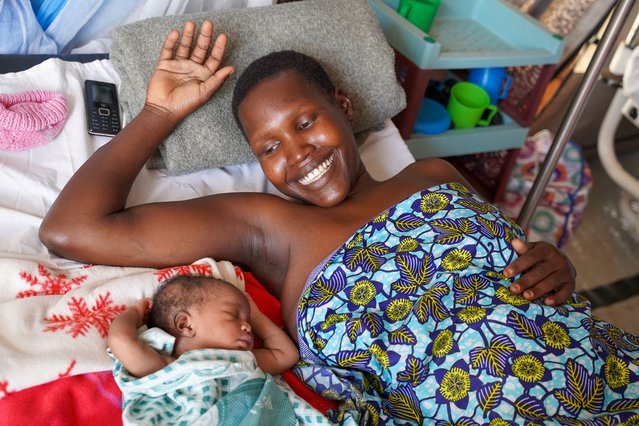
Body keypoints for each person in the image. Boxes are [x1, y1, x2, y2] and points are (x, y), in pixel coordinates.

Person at [40, 20, 639, 423]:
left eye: (305, 123)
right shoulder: (267, 227)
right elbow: (72, 229)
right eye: (269, 148)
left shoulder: (433, 175)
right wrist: (157, 113)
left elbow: (516, 268)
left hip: (609, 376)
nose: (297, 155)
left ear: (344, 109)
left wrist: (556, 263)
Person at [107, 275, 321, 425]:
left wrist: (256, 317)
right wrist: (135, 312)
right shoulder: (167, 367)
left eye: (248, 321)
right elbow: (121, 339)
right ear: (186, 325)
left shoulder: (241, 359)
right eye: (233, 316)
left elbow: (286, 355)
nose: (247, 327)